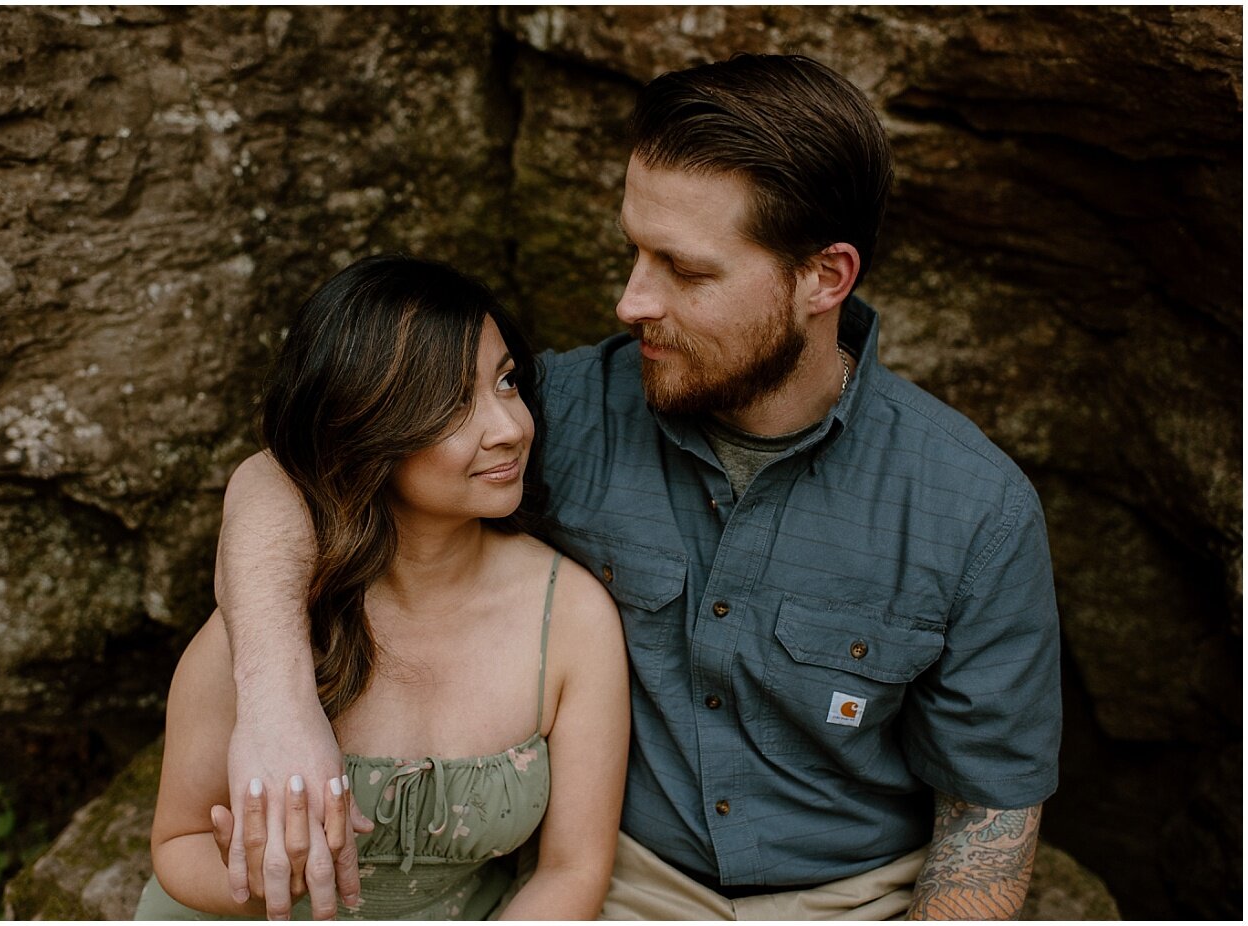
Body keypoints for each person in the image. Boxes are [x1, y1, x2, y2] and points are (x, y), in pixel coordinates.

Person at [214, 53, 1061, 920]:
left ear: (824, 277)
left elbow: (988, 813)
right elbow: (281, 476)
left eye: (685, 271)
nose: (630, 301)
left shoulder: (976, 511)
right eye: (634, 251)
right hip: (617, 884)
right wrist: (276, 704)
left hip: (859, 898)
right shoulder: (561, 413)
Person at [136, 255, 629, 920]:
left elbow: (572, 868)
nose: (511, 428)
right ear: (365, 427)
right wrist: (268, 884)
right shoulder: (273, 619)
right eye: (454, 403)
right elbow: (178, 842)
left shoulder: (571, 616)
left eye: (507, 382)